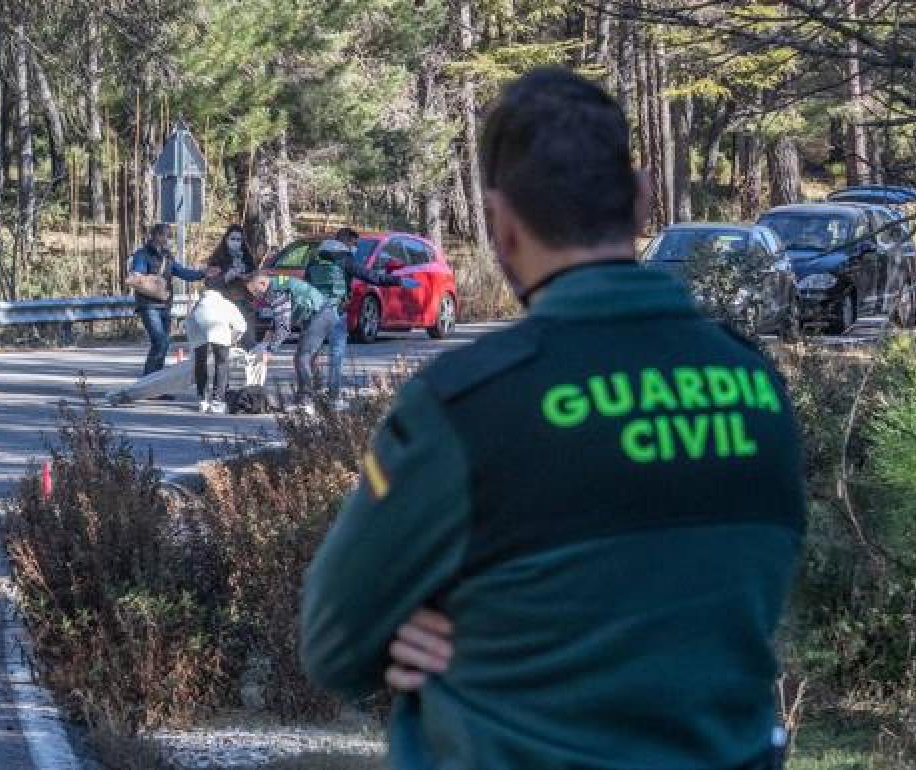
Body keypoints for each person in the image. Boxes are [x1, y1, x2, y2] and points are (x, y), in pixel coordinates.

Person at [300, 67, 805, 770]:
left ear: (503, 225)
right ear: (640, 199)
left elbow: (333, 645)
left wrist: (429, 626)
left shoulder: (465, 407)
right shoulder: (758, 387)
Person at [304, 230, 421, 405]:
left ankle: (308, 396)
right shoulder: (345, 259)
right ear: (348, 241)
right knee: (336, 354)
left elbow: (307, 283)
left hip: (315, 311)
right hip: (336, 311)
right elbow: (371, 277)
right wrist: (399, 281)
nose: (356, 248)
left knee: (310, 354)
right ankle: (334, 397)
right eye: (355, 244)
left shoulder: (314, 258)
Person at [128, 223, 208, 379]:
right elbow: (137, 278)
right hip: (148, 306)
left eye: (169, 236)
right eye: (165, 235)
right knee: (161, 342)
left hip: (165, 306)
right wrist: (145, 277)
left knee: (162, 346)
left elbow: (184, 273)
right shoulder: (142, 254)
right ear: (156, 236)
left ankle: (154, 385)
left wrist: (203, 273)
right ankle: (148, 382)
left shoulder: (167, 257)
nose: (168, 239)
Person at [244, 270, 330, 411]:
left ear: (263, 283)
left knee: (302, 358)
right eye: (252, 292)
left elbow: (283, 327)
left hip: (320, 314)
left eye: (255, 290)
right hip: (320, 313)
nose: (255, 295)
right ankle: (316, 395)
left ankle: (306, 401)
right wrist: (268, 335)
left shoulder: (277, 291)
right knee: (309, 358)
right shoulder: (276, 285)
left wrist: (269, 351)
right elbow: (280, 317)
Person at [185, 283, 248, 414]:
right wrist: (232, 340)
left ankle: (202, 399)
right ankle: (217, 399)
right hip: (219, 331)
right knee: (221, 363)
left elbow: (188, 323)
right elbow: (241, 326)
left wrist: (193, 344)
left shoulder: (198, 304)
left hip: (198, 330)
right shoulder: (226, 304)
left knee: (200, 363)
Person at [207, 224, 258, 347]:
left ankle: (250, 362)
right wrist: (227, 276)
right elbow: (210, 282)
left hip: (244, 302)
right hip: (224, 303)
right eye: (233, 239)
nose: (236, 242)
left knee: (248, 337)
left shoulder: (247, 258)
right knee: (223, 341)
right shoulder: (217, 258)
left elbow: (256, 276)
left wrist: (248, 277)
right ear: (226, 239)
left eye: (239, 239)